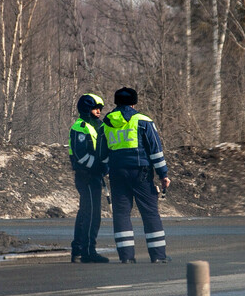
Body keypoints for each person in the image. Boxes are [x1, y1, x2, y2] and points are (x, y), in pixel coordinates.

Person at [102, 87, 172, 263]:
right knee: (150, 213)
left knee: (121, 214)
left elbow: (102, 153)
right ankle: (158, 256)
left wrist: (104, 171)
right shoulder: (143, 121)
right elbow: (155, 150)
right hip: (141, 172)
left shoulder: (106, 123)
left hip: (117, 173)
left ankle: (126, 257)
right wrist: (163, 174)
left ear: (116, 102)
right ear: (134, 103)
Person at [68, 92, 109, 263]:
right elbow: (80, 154)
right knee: (92, 214)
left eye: (100, 108)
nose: (98, 111)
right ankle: (87, 251)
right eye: (95, 108)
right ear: (86, 108)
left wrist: (105, 165)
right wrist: (97, 166)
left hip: (95, 175)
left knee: (86, 212)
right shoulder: (81, 126)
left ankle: (78, 249)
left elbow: (103, 150)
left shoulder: (98, 126)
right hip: (86, 176)